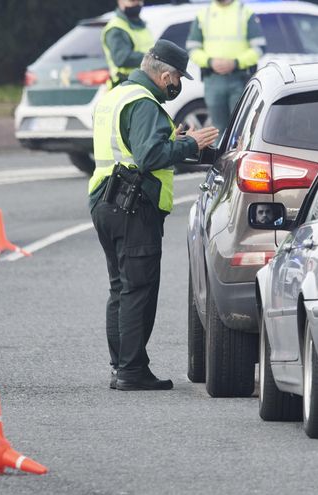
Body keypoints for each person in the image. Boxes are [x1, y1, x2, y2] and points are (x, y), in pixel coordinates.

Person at [89, 40, 219, 391]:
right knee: (138, 290)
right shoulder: (144, 104)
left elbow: (131, 145)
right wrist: (192, 144)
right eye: (177, 77)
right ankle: (132, 370)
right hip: (134, 205)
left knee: (120, 288)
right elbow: (148, 157)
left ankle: (120, 366)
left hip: (105, 200)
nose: (177, 84)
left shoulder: (116, 96)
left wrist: (169, 138)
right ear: (164, 75)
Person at [186, 0, 266, 134]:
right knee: (217, 130)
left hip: (240, 79)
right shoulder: (203, 14)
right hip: (213, 80)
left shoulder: (245, 12)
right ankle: (219, 155)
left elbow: (259, 48)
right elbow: (192, 48)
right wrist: (210, 62)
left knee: (242, 128)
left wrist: (236, 62)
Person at [101, 0, 154, 88]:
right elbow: (122, 58)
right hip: (125, 85)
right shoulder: (116, 28)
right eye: (132, 0)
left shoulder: (141, 24)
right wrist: (153, 58)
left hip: (143, 82)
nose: (137, 3)